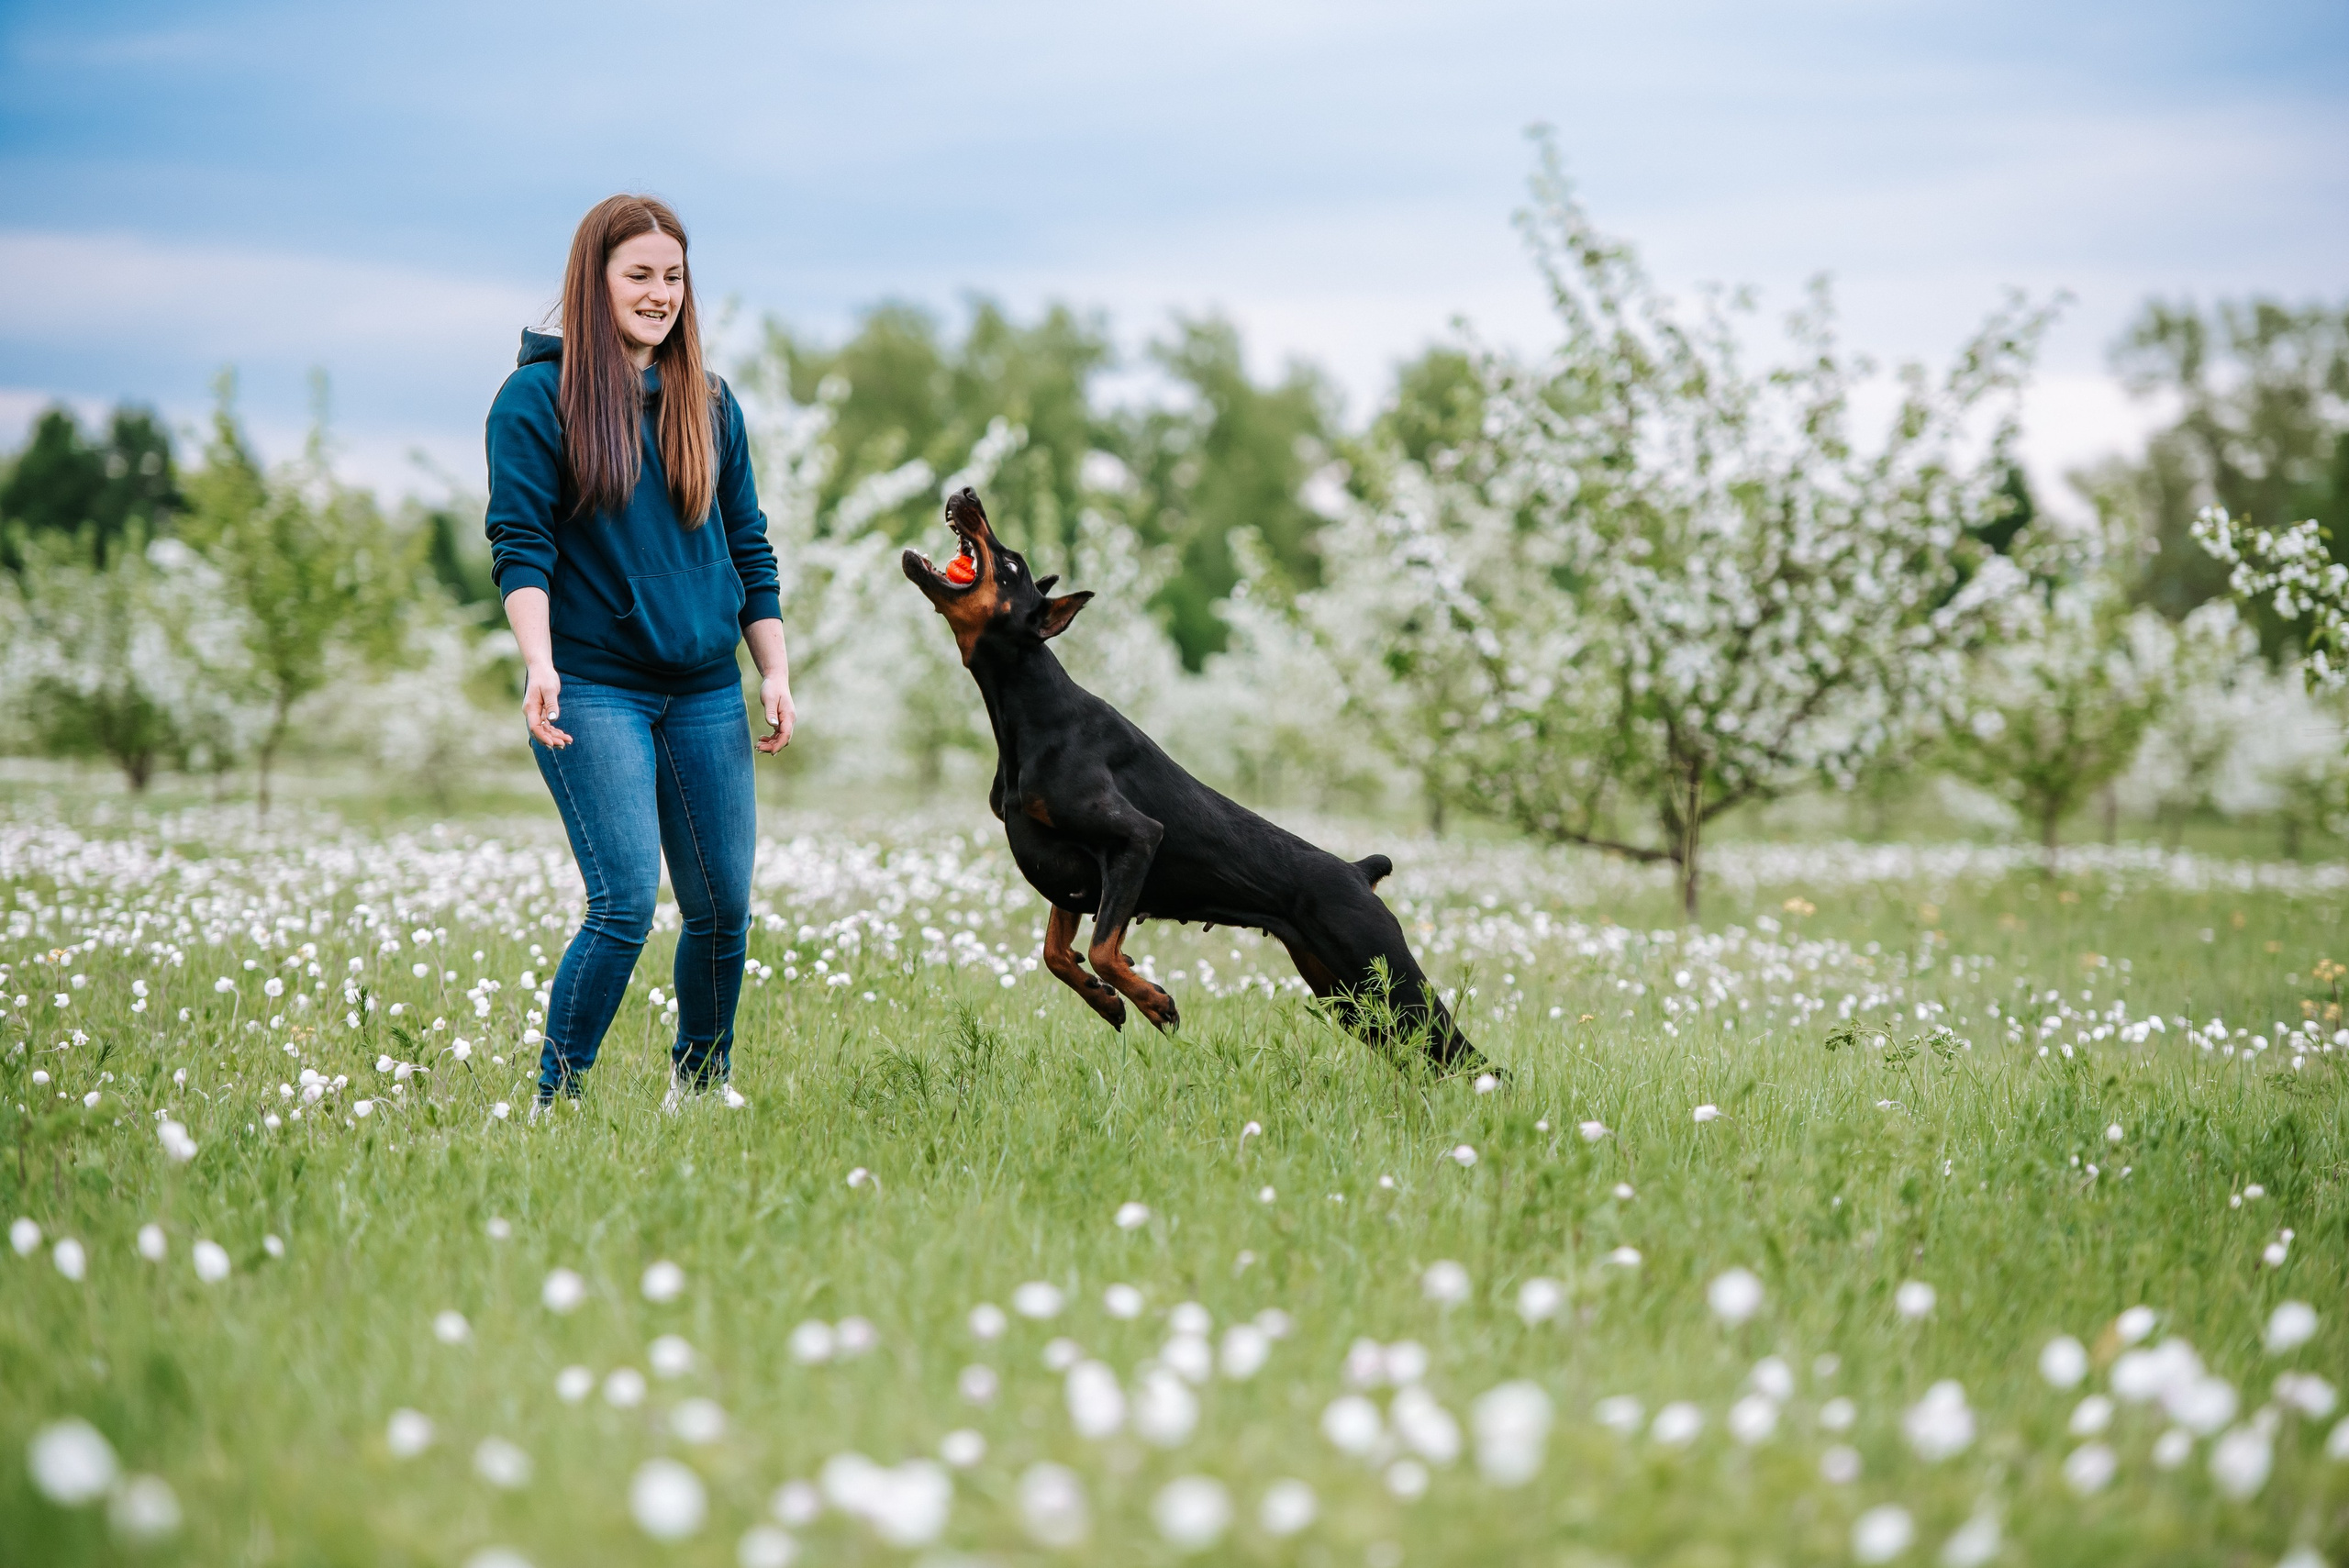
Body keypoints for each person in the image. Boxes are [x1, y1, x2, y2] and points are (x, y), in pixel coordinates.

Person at [484, 194, 794, 1110]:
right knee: (623, 901)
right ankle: (557, 1100)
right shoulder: (536, 401)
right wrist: (539, 662)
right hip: (595, 685)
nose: (660, 294)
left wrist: (773, 669)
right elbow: (521, 543)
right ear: (596, 281)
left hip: (704, 688)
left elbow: (749, 546)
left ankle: (699, 1084)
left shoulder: (710, 403)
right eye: (640, 276)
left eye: (673, 277)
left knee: (722, 907)